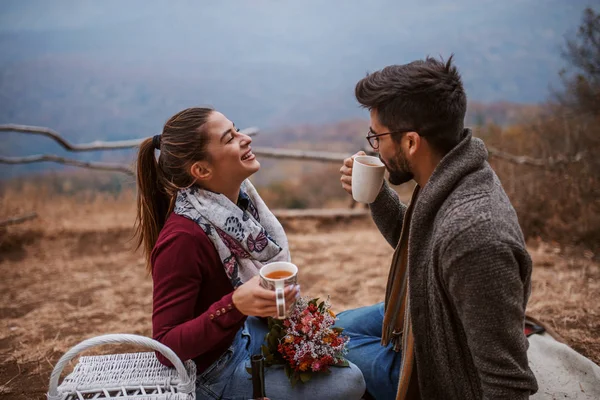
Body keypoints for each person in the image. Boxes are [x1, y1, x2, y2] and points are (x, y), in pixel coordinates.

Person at [337, 56, 538, 399]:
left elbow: (508, 382)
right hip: (422, 318)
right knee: (332, 327)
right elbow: (417, 240)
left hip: (434, 372)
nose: (376, 146)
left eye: (378, 136)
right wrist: (375, 194)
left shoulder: (474, 237)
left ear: (412, 142)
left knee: (327, 344)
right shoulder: (448, 174)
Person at [134, 107, 365, 400]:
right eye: (229, 138)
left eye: (237, 129)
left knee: (360, 328)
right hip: (215, 374)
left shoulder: (240, 204)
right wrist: (234, 306)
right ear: (202, 170)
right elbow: (166, 348)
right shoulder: (183, 238)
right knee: (351, 382)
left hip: (244, 333)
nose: (245, 139)